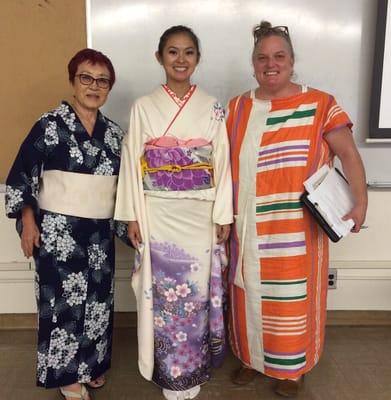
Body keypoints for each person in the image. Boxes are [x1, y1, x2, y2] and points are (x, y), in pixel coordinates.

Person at [226, 21, 367, 397]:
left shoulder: (321, 103)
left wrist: (360, 202)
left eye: (279, 56)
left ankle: (292, 369)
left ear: (292, 60)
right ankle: (251, 359)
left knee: (292, 302)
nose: (270, 64)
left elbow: (348, 154)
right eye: (262, 58)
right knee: (248, 294)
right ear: (253, 63)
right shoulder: (237, 107)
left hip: (297, 232)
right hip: (248, 227)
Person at [114, 25, 233, 400]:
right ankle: (168, 368)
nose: (180, 60)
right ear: (159, 57)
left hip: (200, 212)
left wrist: (222, 214)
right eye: (172, 52)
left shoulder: (213, 105)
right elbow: (133, 163)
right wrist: (133, 215)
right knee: (163, 295)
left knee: (194, 294)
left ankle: (191, 366)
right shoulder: (143, 106)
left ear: (198, 58)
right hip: (158, 212)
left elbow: (223, 162)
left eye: (188, 53)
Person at [5, 48, 127, 400]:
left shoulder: (115, 135)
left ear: (109, 87)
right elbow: (21, 177)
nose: (94, 86)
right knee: (63, 304)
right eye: (86, 78)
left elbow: (126, 189)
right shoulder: (49, 126)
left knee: (98, 302)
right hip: (58, 233)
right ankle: (65, 375)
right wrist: (29, 222)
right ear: (73, 81)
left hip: (99, 235)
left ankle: (91, 366)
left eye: (102, 80)